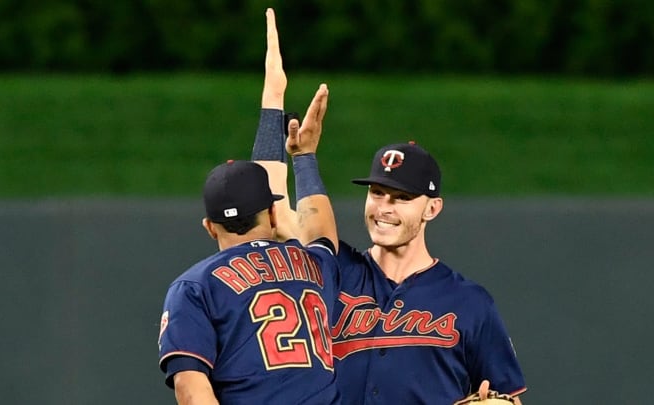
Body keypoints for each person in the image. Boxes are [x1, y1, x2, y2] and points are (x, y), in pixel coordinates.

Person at [252, 9, 527, 405]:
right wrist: (286, 126)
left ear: (432, 209)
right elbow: (275, 210)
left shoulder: (470, 303)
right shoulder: (335, 270)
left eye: (401, 197)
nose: (384, 207)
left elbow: (511, 397)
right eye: (377, 193)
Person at [156, 11, 341, 404]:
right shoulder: (312, 266)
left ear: (209, 226)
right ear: (273, 215)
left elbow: (192, 389)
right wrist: (302, 154)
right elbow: (321, 230)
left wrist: (272, 98)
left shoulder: (194, 287)